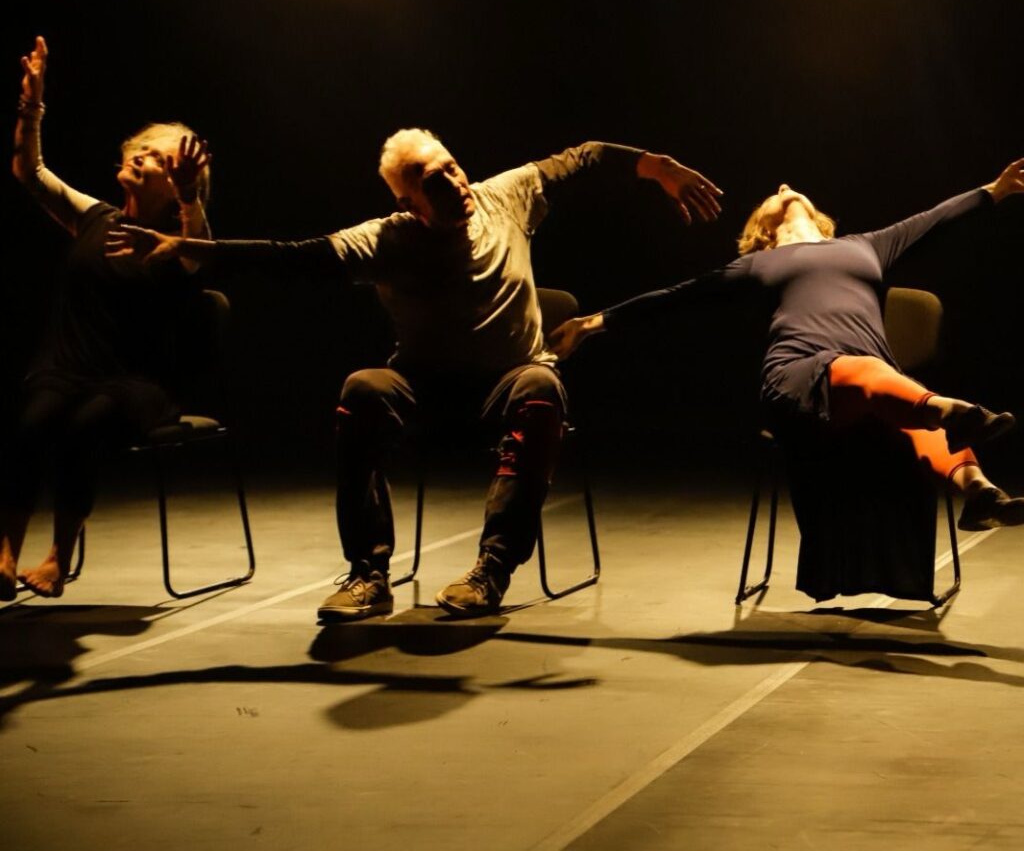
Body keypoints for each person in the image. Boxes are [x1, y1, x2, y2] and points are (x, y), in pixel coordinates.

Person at [105, 128, 723, 619]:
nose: (456, 182)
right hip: (426, 390)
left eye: (453, 166)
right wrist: (189, 245)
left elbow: (584, 158)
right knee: (362, 388)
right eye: (435, 179)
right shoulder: (385, 240)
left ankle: (491, 570)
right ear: (408, 201)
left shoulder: (503, 195)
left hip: (508, 383)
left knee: (541, 385)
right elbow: (290, 260)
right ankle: (368, 573)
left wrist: (657, 166)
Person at [551, 162, 1024, 530]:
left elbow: (934, 220)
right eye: (773, 195)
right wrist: (592, 323)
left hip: (874, 385)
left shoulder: (866, 245)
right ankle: (952, 410)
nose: (784, 187)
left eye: (789, 190)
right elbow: (677, 299)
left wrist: (996, 190)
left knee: (901, 403)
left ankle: (980, 493)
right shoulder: (760, 264)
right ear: (764, 229)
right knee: (880, 381)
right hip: (799, 383)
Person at [0, 36, 213, 601]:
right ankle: (4, 554)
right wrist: (33, 102)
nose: (140, 158)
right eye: (139, 151)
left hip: (136, 382)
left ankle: (58, 559)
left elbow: (201, 255)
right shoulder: (92, 217)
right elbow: (30, 171)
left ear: (176, 184)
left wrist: (192, 199)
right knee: (31, 421)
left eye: (157, 159)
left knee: (83, 426)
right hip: (67, 367)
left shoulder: (179, 236)